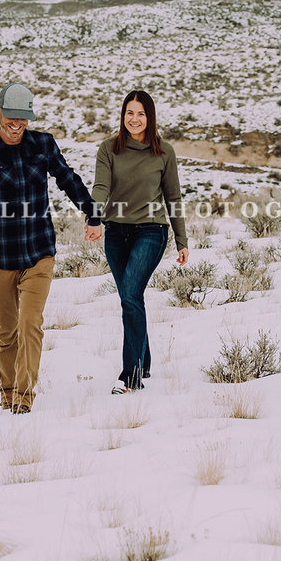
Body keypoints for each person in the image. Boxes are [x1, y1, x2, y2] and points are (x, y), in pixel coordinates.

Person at [0, 82, 103, 414]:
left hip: (39, 251)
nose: (15, 124)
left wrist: (92, 214)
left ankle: (24, 397)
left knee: (29, 323)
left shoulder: (42, 144)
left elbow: (67, 178)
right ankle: (7, 392)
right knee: (6, 331)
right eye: (10, 117)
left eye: (22, 119)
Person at [92, 89, 188, 394]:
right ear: (123, 116)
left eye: (141, 114)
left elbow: (173, 197)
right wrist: (94, 217)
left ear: (150, 118)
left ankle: (131, 377)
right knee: (130, 298)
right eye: (129, 113)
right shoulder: (109, 149)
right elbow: (100, 187)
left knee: (131, 295)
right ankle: (144, 360)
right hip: (116, 233)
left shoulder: (164, 152)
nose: (134, 119)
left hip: (151, 231)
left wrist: (181, 239)